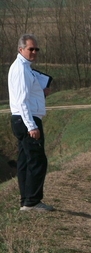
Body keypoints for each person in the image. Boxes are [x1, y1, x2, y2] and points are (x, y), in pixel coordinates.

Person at [8, 34, 53, 212]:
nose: (34, 52)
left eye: (36, 49)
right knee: (37, 160)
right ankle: (32, 201)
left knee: (26, 161)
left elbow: (28, 96)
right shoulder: (21, 69)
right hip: (26, 119)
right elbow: (21, 101)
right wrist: (31, 126)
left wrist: (41, 93)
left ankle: (26, 201)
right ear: (21, 50)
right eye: (30, 49)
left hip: (24, 119)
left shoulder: (26, 68)